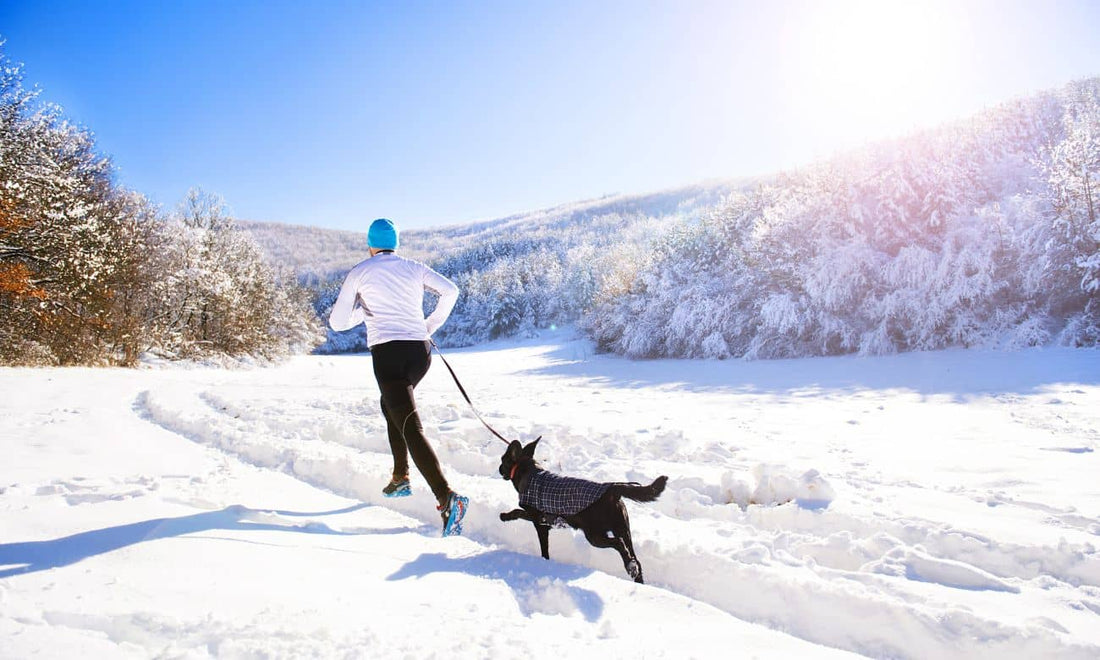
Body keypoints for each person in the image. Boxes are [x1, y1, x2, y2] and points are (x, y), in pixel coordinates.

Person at [329, 218, 467, 536]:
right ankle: (400, 477)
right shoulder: (413, 267)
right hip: (421, 354)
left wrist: (363, 311)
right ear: (396, 243)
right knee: (391, 406)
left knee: (408, 423)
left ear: (370, 245)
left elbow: (337, 323)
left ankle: (448, 498)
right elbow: (451, 290)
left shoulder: (360, 272)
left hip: (388, 356)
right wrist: (428, 326)